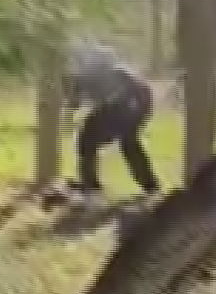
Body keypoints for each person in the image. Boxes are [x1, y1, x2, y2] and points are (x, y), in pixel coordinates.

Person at [64, 43, 160, 199]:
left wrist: (138, 116)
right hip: (115, 111)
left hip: (126, 110)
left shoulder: (120, 74)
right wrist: (69, 115)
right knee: (92, 141)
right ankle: (90, 184)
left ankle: (150, 187)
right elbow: (74, 102)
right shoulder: (84, 77)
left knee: (125, 145)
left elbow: (143, 93)